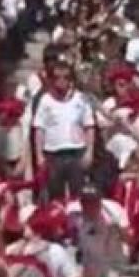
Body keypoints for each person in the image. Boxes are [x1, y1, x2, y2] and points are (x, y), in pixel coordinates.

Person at [32, 60, 96, 202]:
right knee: (55, 196)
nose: (61, 81)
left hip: (76, 152)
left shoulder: (81, 99)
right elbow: (39, 128)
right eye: (57, 77)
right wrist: (39, 155)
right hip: (53, 154)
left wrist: (89, 152)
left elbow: (89, 126)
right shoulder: (45, 101)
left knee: (78, 195)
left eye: (66, 77)